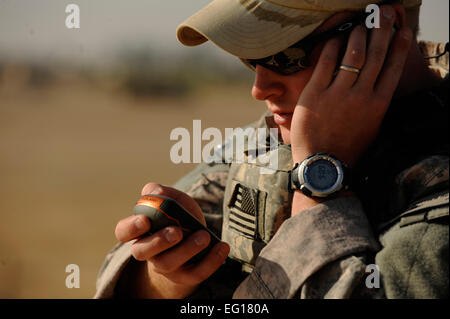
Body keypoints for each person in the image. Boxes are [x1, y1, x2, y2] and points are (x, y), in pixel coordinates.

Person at [94, 0, 448, 299]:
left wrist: (320, 179)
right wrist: (166, 279)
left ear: (382, 28)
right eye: (251, 58)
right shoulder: (271, 141)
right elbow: (122, 273)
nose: (260, 87)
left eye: (287, 55)